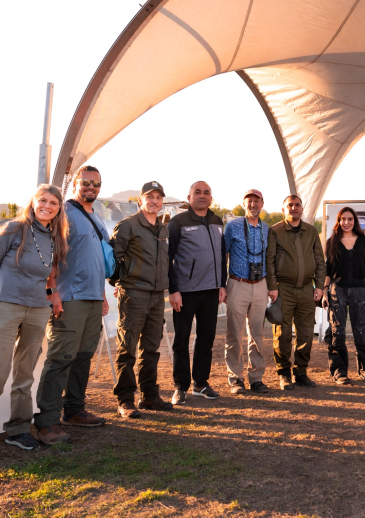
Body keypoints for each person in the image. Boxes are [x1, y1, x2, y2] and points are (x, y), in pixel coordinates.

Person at [0, 185, 68, 455]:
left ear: (59, 209)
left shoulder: (56, 237)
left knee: (25, 374)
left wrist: (52, 294)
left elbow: (50, 273)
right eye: (43, 200)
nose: (47, 206)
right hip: (6, 307)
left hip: (38, 310)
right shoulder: (12, 229)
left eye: (53, 203)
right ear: (33, 202)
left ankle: (18, 430)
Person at [33, 166, 109, 444]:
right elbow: (49, 252)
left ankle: (74, 410)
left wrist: (102, 294)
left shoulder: (96, 216)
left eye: (96, 183)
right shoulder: (63, 212)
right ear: (75, 183)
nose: (91, 187)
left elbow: (94, 258)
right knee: (60, 358)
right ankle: (46, 421)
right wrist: (51, 290)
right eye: (85, 182)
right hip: (69, 297)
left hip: (93, 297)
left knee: (83, 357)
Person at [111, 181, 173, 418]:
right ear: (140, 200)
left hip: (157, 297)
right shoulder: (128, 225)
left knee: (151, 349)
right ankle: (125, 400)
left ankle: (149, 396)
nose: (154, 201)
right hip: (134, 294)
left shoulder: (162, 228)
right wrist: (120, 283)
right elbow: (113, 259)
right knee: (127, 348)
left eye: (158, 197)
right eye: (150, 197)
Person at [167, 181, 227, 404]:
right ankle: (180, 386)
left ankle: (200, 383)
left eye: (206, 193)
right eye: (198, 192)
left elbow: (222, 255)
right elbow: (167, 258)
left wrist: (222, 284)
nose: (202, 196)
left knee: (206, 339)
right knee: (181, 339)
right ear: (189, 197)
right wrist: (173, 290)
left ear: (211, 197)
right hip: (185, 292)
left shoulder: (217, 221)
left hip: (211, 291)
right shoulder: (178, 222)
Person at [266, 195, 326, 390]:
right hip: (283, 289)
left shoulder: (311, 231)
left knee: (306, 334)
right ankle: (283, 373)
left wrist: (319, 286)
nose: (293, 208)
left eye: (297, 205)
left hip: (307, 290)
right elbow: (270, 260)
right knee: (282, 334)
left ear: (302, 208)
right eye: (289, 205)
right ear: (284, 209)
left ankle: (301, 372)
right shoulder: (275, 231)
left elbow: (320, 261)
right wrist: (272, 286)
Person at [222, 189, 270, 395]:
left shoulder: (266, 228)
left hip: (260, 285)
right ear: (244, 204)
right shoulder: (232, 226)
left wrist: (271, 287)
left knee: (257, 334)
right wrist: (221, 285)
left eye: (256, 201)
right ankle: (235, 378)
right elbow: (223, 255)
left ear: (262, 204)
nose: (253, 204)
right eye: (249, 201)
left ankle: (256, 378)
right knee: (234, 333)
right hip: (238, 283)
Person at [322, 207, 365, 385]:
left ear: (355, 221)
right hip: (338, 290)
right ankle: (339, 371)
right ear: (338, 221)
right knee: (337, 332)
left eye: (350, 219)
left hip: (359, 290)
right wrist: (325, 291)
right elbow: (328, 269)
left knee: (362, 332)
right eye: (343, 219)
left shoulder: (363, 241)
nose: (346, 222)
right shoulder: (332, 241)